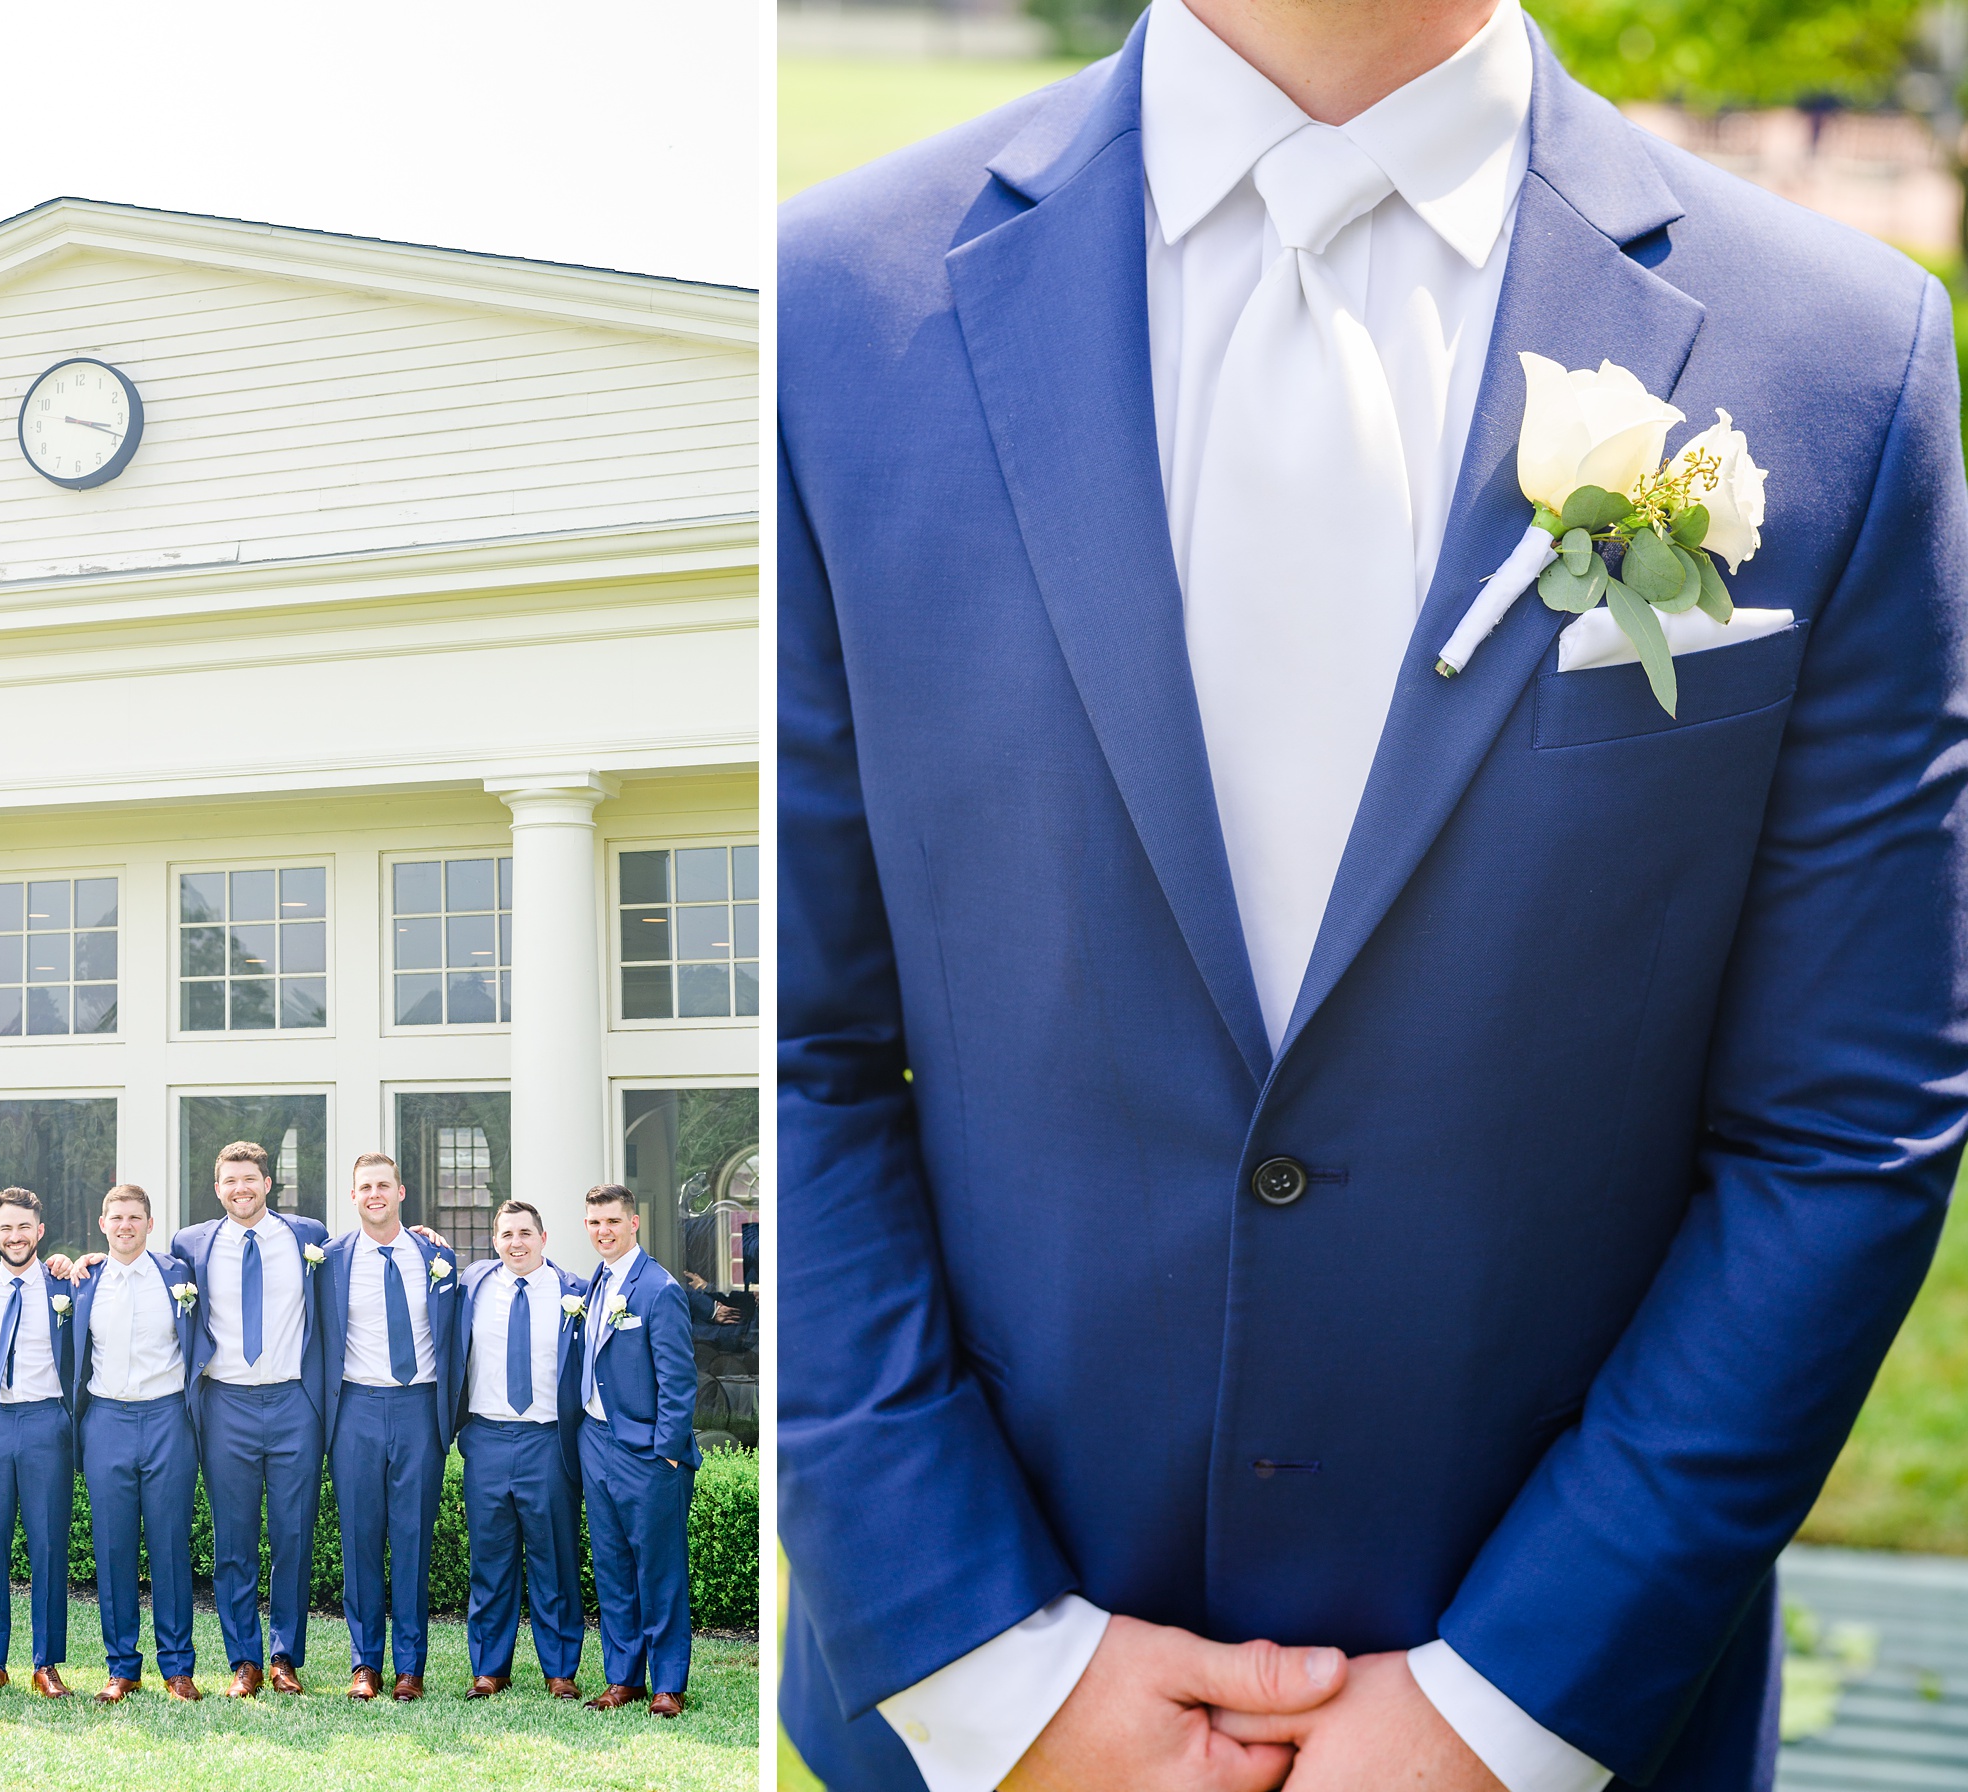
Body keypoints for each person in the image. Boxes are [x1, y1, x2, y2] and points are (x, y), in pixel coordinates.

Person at [777, 0, 1968, 1787]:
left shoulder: (1843, 358)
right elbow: (776, 1043)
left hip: (1573, 1712)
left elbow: (1846, 1120)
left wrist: (1510, 1710)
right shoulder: (821, 318)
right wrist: (991, 1665)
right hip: (973, 1713)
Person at [172, 1140, 331, 1697]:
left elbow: (367, 1246)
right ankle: (245, 1659)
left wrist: (423, 1235)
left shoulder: (307, 1235)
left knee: (293, 1535)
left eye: (250, 1179)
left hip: (293, 1403)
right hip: (226, 1404)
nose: (240, 1189)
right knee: (233, 1541)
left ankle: (285, 1655)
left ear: (268, 1184)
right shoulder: (191, 1244)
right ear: (217, 1189)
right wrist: (81, 1259)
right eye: (229, 1182)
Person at [319, 1152, 460, 1702]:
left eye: (384, 1185)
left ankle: (410, 1666)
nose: (374, 1194)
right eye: (364, 1187)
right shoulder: (328, 1260)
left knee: (412, 1539)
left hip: (418, 1408)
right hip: (354, 1407)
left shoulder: (435, 1255)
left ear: (402, 1191)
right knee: (359, 1538)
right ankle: (364, 1665)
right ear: (352, 1197)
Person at [71, 1183, 204, 1703]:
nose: (125, 1225)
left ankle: (177, 1667)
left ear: (150, 1224)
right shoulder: (83, 1281)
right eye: (116, 1217)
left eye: (135, 1217)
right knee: (113, 1545)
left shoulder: (179, 1275)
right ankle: (122, 1665)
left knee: (171, 1544)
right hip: (106, 1419)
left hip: (169, 1417)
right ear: (102, 1225)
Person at [453, 1199, 588, 1700]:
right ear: (494, 1240)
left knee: (554, 1559)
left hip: (547, 1441)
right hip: (486, 1439)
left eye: (525, 1233)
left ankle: (559, 1670)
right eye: (507, 1234)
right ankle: (489, 1668)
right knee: (490, 1560)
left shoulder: (575, 1291)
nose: (516, 1243)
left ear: (543, 1237)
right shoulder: (471, 1286)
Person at [577, 1184, 697, 1718]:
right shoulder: (593, 1284)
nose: (603, 1231)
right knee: (612, 1567)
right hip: (596, 1443)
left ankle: (668, 1682)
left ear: (634, 1224)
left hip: (647, 1453)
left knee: (659, 1569)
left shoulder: (659, 1289)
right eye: (594, 1223)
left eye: (611, 1222)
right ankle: (622, 1678)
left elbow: (678, 1380)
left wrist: (666, 1453)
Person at [0, 1188, 77, 1697]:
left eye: (24, 1227)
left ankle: (46, 1662)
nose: (15, 1237)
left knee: (48, 1543)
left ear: (40, 1231)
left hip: (47, 1421)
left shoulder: (65, 1282)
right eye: (5, 1228)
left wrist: (76, 1262)